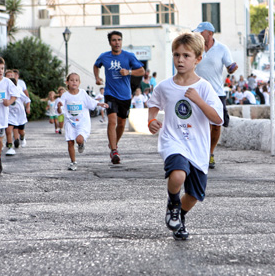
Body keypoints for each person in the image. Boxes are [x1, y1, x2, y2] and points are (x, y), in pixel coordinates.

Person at [147, 32, 223, 240]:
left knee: (194, 195)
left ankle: (179, 217)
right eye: (176, 55)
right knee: (178, 174)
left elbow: (217, 119)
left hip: (197, 146)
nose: (180, 60)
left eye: (186, 56)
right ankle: (173, 203)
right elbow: (153, 105)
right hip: (173, 141)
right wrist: (151, 121)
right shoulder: (165, 86)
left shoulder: (204, 88)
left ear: (198, 59)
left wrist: (199, 100)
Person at [94, 31, 144, 164]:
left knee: (122, 123)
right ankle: (114, 151)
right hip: (110, 93)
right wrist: (97, 77)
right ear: (110, 42)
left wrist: (129, 72)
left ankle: (113, 143)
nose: (117, 42)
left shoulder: (128, 56)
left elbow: (142, 71)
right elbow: (96, 65)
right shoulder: (104, 57)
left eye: (119, 40)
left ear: (122, 41)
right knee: (112, 121)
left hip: (125, 95)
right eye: (114, 40)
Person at [193, 21, 237, 169]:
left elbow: (229, 66)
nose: (198, 35)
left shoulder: (222, 48)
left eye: (200, 32)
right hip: (197, 92)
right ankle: (198, 153)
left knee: (217, 125)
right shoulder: (194, 48)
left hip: (217, 93)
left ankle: (210, 153)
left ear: (209, 34)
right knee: (198, 124)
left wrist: (232, 68)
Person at [57, 73, 107, 171]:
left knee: (79, 139)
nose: (74, 82)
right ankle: (73, 162)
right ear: (67, 82)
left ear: (79, 83)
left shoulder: (83, 93)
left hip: (82, 122)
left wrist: (100, 104)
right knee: (70, 142)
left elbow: (91, 102)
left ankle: (81, 144)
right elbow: (60, 111)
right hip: (70, 122)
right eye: (71, 80)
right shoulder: (65, 96)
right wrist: (59, 106)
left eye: (76, 80)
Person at [5, 75, 31, 155]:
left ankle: (22, 138)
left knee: (21, 131)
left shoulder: (18, 92)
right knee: (8, 130)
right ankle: (10, 148)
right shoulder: (5, 93)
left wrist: (28, 107)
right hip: (10, 115)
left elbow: (27, 100)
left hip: (20, 116)